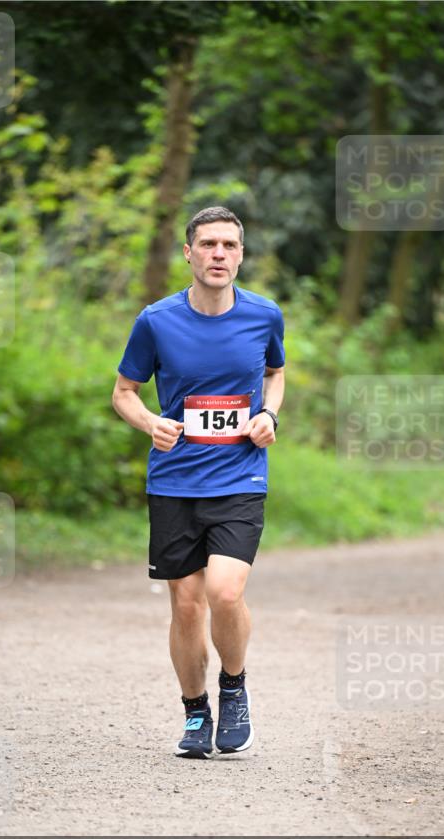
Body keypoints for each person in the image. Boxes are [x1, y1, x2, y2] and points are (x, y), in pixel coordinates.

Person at [112, 206, 285, 759]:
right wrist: (151, 423)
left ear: (240, 254)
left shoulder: (264, 315)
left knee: (224, 592)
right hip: (174, 483)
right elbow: (124, 391)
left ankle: (233, 689)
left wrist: (270, 416)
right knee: (186, 607)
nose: (219, 254)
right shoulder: (157, 320)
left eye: (229, 246)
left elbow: (274, 373)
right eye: (208, 244)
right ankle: (194, 713)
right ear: (188, 254)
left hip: (240, 477)